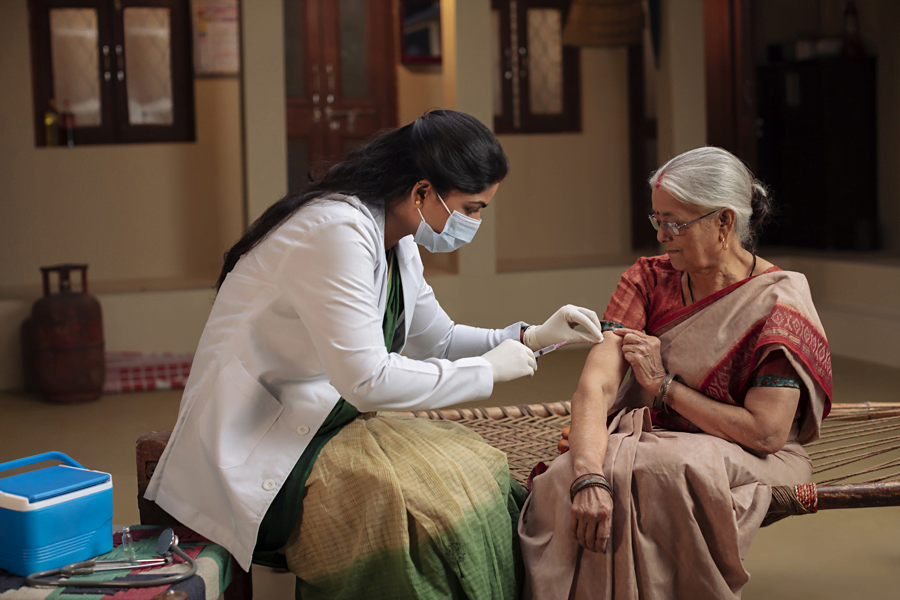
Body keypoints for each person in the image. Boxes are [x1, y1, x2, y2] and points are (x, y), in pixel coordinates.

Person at [144, 109, 604, 599]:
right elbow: (366, 379)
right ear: (423, 192)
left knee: (479, 471)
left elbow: (440, 339)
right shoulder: (335, 233)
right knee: (408, 513)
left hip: (327, 418)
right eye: (471, 209)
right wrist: (486, 371)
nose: (473, 224)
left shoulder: (396, 238)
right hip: (264, 439)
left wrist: (532, 336)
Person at [519, 147, 832, 600]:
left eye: (675, 222)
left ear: (724, 222)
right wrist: (588, 475)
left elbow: (765, 434)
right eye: (657, 220)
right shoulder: (648, 280)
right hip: (654, 440)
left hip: (753, 455)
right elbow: (598, 383)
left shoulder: (778, 302)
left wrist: (663, 387)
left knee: (663, 468)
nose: (662, 235)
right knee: (574, 475)